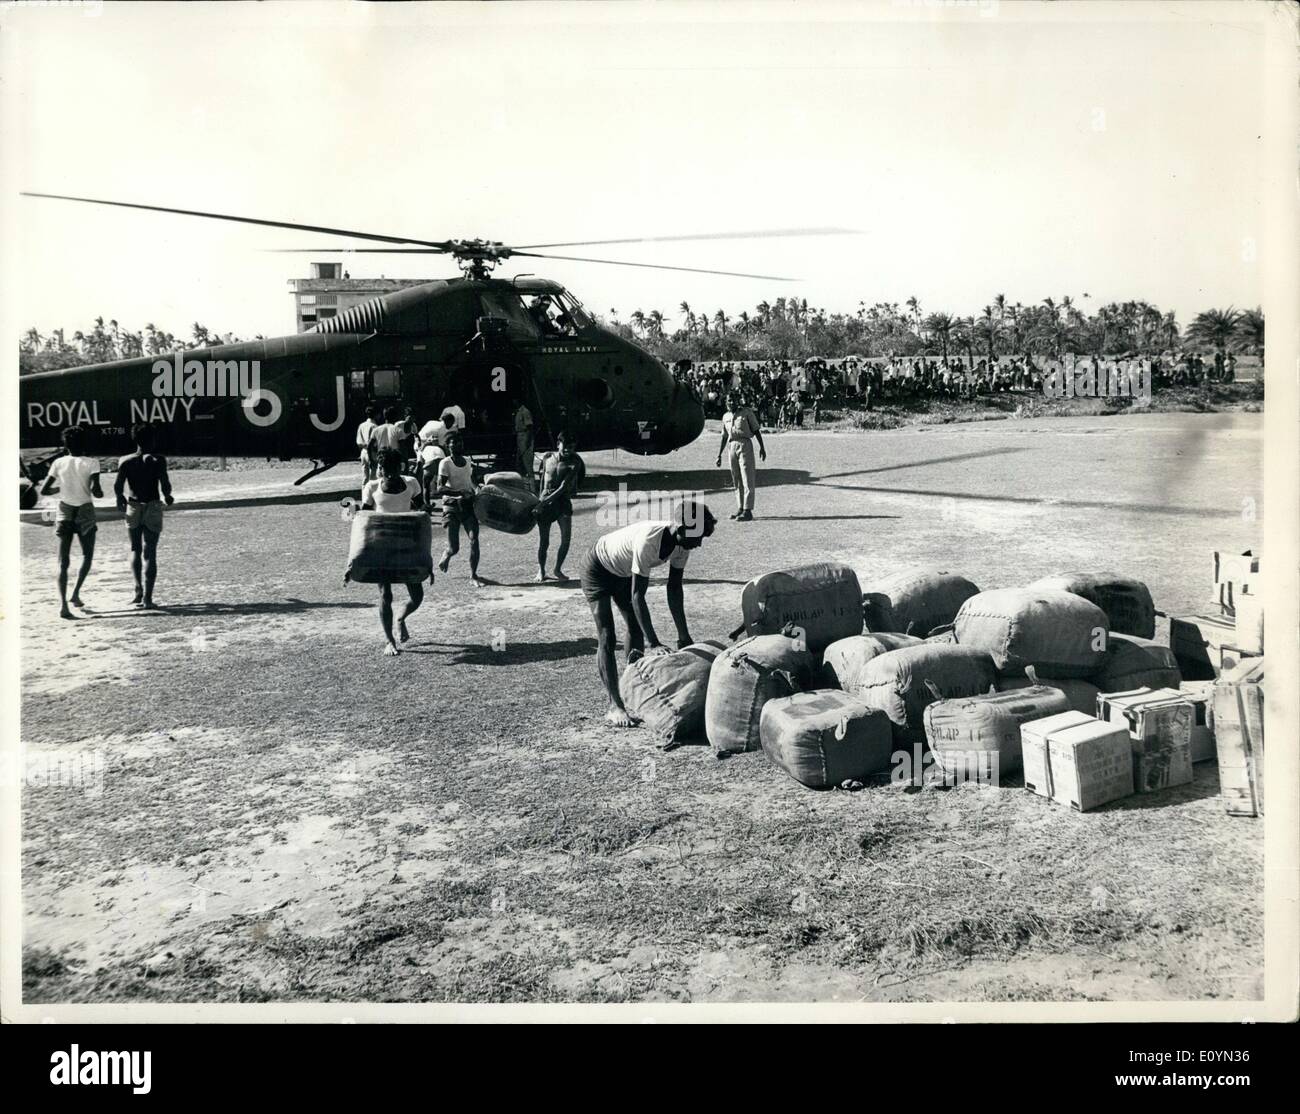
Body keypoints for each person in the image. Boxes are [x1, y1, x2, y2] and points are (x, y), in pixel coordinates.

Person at [581, 496, 717, 727]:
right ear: (681, 528)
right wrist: (653, 642)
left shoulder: (683, 545)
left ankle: (632, 687)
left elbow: (674, 589)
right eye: (699, 537)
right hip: (598, 569)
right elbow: (638, 596)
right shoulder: (649, 540)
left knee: (634, 628)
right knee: (607, 635)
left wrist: (683, 636)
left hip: (622, 573)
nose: (700, 544)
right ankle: (615, 705)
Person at [360, 447, 430, 656]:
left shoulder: (411, 483)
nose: (385, 471)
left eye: (388, 467)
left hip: (407, 546)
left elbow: (421, 513)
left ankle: (400, 618)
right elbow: (362, 521)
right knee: (385, 594)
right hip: (381, 548)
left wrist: (425, 552)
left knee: (417, 596)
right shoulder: (371, 487)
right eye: (382, 467)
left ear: (398, 467)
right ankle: (389, 641)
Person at [40, 425, 103, 619]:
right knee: (87, 555)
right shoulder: (92, 463)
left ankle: (63, 606)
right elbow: (97, 490)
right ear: (84, 443)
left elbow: (44, 490)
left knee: (63, 562)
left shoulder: (58, 463)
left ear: (65, 445)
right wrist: (95, 490)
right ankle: (75, 593)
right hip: (84, 509)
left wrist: (61, 490)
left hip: (64, 510)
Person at [114, 422, 175, 610]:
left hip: (133, 505)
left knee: (135, 549)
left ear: (135, 439)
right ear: (153, 439)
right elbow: (165, 484)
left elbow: (118, 485)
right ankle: (148, 598)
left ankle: (138, 589)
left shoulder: (125, 461)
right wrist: (168, 496)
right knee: (150, 553)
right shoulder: (158, 460)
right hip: (153, 506)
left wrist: (119, 498)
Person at [434, 430, 483, 586]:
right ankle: (447, 554)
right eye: (452, 443)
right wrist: (458, 492)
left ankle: (473, 575)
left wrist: (478, 489)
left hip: (468, 507)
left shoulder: (467, 461)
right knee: (454, 548)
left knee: (474, 540)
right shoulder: (445, 463)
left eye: (458, 442)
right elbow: (439, 488)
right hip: (451, 507)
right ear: (448, 446)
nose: (456, 445)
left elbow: (472, 481)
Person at [535, 430, 585, 582]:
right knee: (544, 541)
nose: (569, 450)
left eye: (572, 447)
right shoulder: (547, 457)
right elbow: (543, 478)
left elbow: (563, 487)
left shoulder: (574, 463)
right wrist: (539, 500)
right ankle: (541, 570)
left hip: (562, 503)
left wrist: (543, 502)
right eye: (566, 446)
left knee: (566, 539)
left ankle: (557, 569)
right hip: (544, 503)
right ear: (558, 444)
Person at [716, 391, 766, 521]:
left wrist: (762, 447)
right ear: (726, 402)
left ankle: (748, 510)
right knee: (736, 478)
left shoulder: (747, 413)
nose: (731, 402)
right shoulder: (725, 416)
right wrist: (719, 454)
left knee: (747, 477)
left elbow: (756, 430)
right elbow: (724, 436)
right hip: (731, 446)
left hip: (745, 445)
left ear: (738, 401)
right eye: (729, 400)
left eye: (733, 400)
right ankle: (740, 507)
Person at [514, 401, 535, 489]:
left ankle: (533, 487)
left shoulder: (525, 412)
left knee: (527, 463)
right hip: (520, 436)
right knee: (521, 461)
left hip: (525, 436)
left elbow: (529, 427)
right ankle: (524, 486)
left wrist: (527, 442)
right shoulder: (518, 412)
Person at [356, 405, 379, 486]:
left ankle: (364, 496)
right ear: (376, 415)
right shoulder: (375, 426)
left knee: (365, 477)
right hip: (372, 452)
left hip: (363, 452)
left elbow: (359, 442)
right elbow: (375, 443)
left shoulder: (361, 425)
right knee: (373, 477)